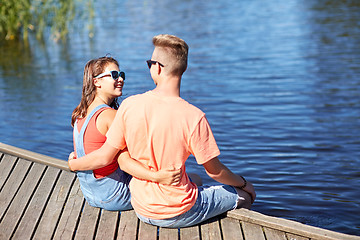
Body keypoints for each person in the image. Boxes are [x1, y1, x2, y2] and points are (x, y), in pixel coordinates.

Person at [68, 35, 256, 227]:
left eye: (150, 63)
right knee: (243, 195)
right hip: (177, 211)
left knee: (195, 179)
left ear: (156, 67)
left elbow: (122, 160)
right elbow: (215, 172)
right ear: (183, 68)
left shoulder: (129, 105)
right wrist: (243, 184)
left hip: (141, 206)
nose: (121, 79)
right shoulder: (194, 116)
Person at [69, 56, 181, 211]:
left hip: (91, 194)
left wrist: (74, 163)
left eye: (122, 75)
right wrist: (158, 177)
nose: (120, 79)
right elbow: (120, 160)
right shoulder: (109, 116)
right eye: (114, 75)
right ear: (97, 82)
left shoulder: (80, 113)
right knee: (186, 182)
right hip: (114, 196)